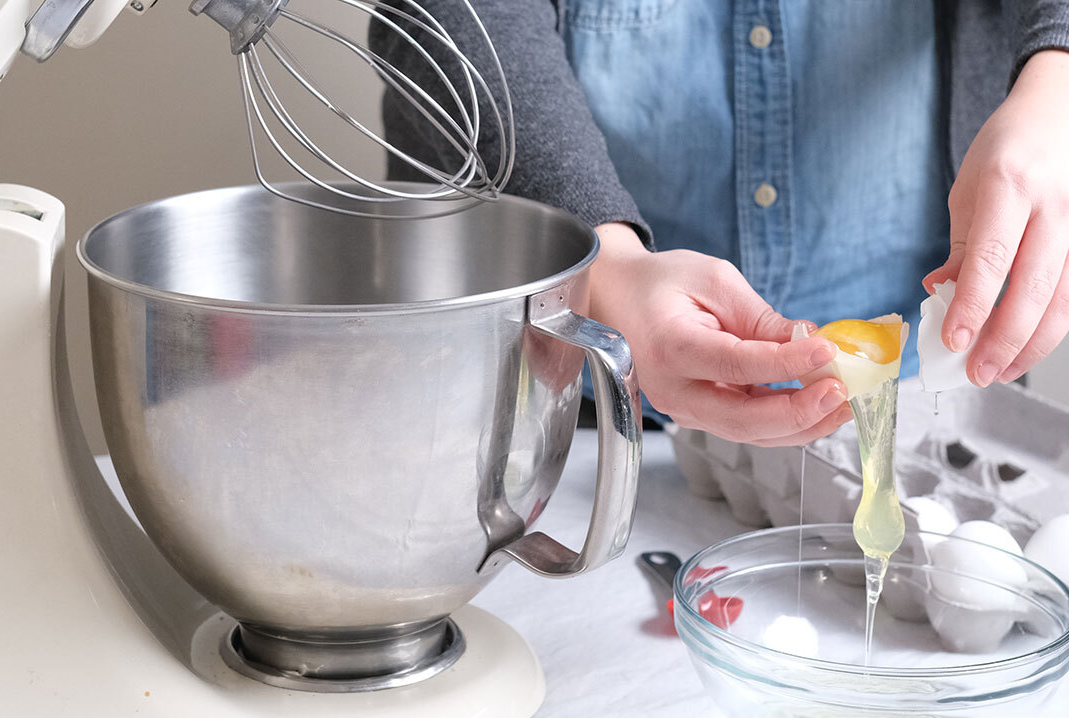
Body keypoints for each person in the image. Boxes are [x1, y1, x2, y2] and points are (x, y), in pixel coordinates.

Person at [373, 1, 1069, 445]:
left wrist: (1057, 74)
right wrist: (603, 265)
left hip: (924, 394)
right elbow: (449, 17)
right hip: (560, 396)